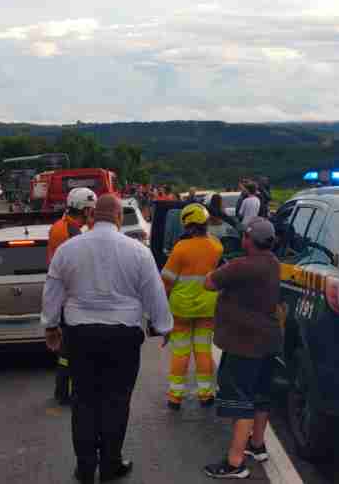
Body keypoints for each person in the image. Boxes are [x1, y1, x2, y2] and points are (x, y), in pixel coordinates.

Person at [42, 194, 173, 484]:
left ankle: (85, 467)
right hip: (122, 338)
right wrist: (163, 326)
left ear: (92, 215)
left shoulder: (68, 250)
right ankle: (111, 464)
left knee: (84, 402)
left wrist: (51, 326)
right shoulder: (137, 251)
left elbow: (52, 289)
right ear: (118, 217)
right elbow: (154, 292)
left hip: (80, 337)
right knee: (116, 402)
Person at [202, 219, 281, 479]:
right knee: (261, 395)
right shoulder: (273, 263)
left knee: (240, 401)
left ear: (248, 240)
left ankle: (235, 462)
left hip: (244, 344)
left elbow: (209, 283)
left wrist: (220, 268)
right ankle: (256, 445)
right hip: (268, 341)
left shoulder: (241, 266)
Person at [161, 203, 222, 410]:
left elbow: (166, 281)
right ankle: (206, 394)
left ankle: (175, 397)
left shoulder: (180, 248)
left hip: (182, 309)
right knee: (203, 351)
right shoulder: (216, 246)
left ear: (188, 225)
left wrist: (159, 311)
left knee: (181, 353)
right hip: (206, 308)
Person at [46, 187, 98, 405]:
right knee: (71, 351)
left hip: (64, 298)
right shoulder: (72, 233)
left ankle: (63, 391)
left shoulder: (61, 226)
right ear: (85, 210)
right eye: (92, 210)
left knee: (67, 351)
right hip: (71, 300)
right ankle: (68, 393)